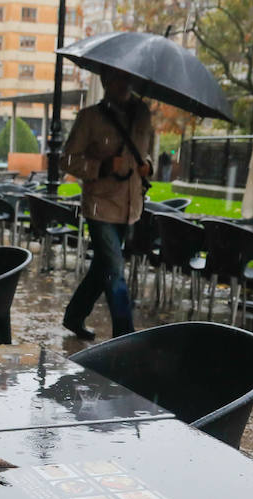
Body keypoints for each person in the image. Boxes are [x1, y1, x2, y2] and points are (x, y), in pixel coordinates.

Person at [59, 69, 155, 339]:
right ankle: (125, 336)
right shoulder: (90, 117)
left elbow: (149, 152)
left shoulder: (143, 114)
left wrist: (149, 166)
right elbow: (66, 160)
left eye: (128, 78)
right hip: (100, 205)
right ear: (106, 82)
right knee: (115, 270)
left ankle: (74, 316)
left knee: (103, 267)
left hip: (130, 208)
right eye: (118, 79)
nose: (124, 84)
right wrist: (101, 167)